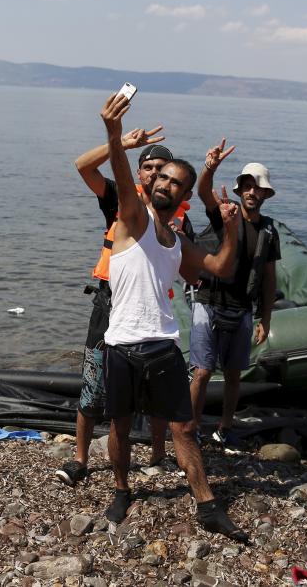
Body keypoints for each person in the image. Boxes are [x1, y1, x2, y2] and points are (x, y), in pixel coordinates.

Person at [98, 92, 248, 541]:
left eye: (175, 182)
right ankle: (122, 489)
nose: (164, 184)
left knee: (184, 426)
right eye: (160, 177)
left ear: (183, 194)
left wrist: (233, 230)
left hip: (162, 343)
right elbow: (123, 178)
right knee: (121, 428)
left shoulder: (176, 240)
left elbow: (220, 268)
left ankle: (206, 504)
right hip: (121, 344)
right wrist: (112, 133)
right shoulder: (132, 217)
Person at [55, 128, 193, 486]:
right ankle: (80, 459)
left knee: (158, 391)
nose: (153, 174)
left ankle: (159, 455)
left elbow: (188, 263)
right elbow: (83, 166)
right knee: (92, 382)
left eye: (161, 169)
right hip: (109, 307)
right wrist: (120, 143)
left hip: (151, 316)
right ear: (139, 172)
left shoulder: (176, 216)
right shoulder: (119, 196)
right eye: (147, 166)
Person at [189, 143, 280, 446]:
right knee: (202, 371)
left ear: (266, 194)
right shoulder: (225, 214)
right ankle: (191, 428)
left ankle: (224, 427)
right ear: (241, 189)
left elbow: (268, 279)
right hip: (209, 303)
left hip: (241, 308)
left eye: (259, 188)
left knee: (232, 374)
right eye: (248, 186)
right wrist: (210, 167)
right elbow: (204, 192)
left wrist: (263, 319)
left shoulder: (269, 231)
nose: (253, 192)